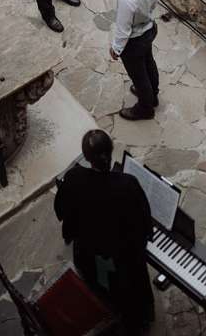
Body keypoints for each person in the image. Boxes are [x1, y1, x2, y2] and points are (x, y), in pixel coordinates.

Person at [54, 130, 154, 334]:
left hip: (88, 254)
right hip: (123, 262)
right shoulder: (128, 184)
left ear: (87, 157)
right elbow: (144, 226)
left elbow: (61, 211)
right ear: (111, 151)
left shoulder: (73, 178)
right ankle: (139, 318)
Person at [110, 0, 161, 121]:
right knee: (149, 62)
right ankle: (153, 94)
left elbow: (123, 29)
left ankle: (145, 108)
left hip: (135, 41)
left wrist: (116, 48)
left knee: (139, 75)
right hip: (150, 28)